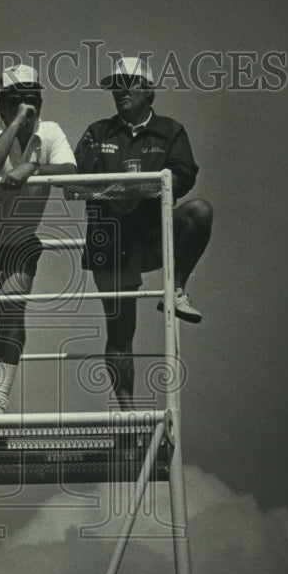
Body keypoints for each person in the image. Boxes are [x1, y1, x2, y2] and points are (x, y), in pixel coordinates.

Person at [74, 56, 213, 409]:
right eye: (115, 86)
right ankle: (128, 414)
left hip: (152, 234)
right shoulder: (97, 132)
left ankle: (176, 289)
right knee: (120, 333)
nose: (121, 91)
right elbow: (75, 187)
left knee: (200, 212)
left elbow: (183, 177)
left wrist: (128, 189)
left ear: (148, 91)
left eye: (130, 83)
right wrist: (133, 189)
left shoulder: (170, 130)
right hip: (110, 239)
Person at [0, 64, 77, 414]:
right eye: (20, 100)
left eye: (35, 99)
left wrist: (33, 167)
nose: (30, 107)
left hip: (19, 239)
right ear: (3, 105)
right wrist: (15, 125)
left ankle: (0, 400)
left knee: (12, 311)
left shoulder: (51, 132)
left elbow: (70, 172)